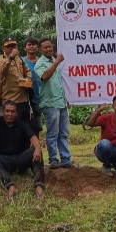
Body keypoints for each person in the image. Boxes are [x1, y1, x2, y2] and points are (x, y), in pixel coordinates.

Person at [0, 89, 45, 200]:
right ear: (3, 112)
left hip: (21, 160)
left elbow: (34, 137)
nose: (10, 114)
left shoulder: (22, 124)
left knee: (37, 149)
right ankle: (10, 186)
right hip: (5, 161)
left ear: (16, 113)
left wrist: (37, 149)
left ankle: (38, 186)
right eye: (7, 111)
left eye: (12, 112)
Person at [34, 38, 72, 168]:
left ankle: (66, 159)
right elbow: (44, 76)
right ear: (40, 49)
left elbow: (58, 83)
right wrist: (56, 62)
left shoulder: (53, 61)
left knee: (63, 132)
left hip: (60, 102)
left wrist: (65, 99)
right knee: (52, 133)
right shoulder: (40, 63)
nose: (49, 49)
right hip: (50, 104)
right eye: (45, 47)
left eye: (50, 47)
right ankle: (53, 159)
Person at [0, 38, 37, 132]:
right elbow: (1, 70)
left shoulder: (19, 59)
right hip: (10, 101)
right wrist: (10, 57)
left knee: (26, 128)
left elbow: (27, 71)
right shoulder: (2, 60)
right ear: (3, 48)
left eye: (13, 46)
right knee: (12, 130)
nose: (12, 48)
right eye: (9, 46)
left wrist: (28, 79)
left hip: (23, 100)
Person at [22, 37, 43, 134]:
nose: (31, 46)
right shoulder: (20, 62)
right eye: (29, 45)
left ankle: (37, 148)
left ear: (38, 47)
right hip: (25, 98)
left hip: (42, 98)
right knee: (25, 126)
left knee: (37, 127)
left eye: (34, 44)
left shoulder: (43, 61)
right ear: (25, 48)